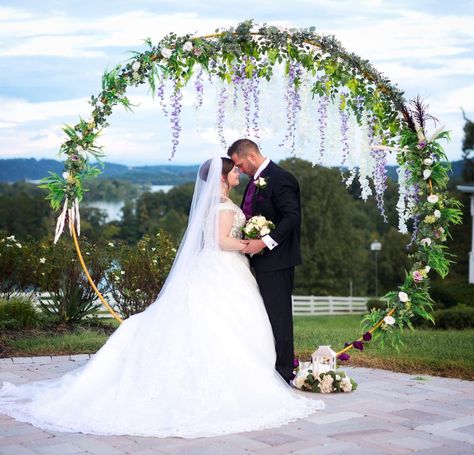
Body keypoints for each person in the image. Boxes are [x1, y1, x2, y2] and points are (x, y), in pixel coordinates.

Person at [0, 157, 323, 438]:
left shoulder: (216, 204)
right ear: (223, 178)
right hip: (223, 265)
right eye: (234, 171)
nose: (238, 174)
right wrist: (248, 244)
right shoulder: (223, 206)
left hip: (223, 269)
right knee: (220, 321)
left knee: (223, 320)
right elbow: (221, 241)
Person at [227, 139, 301, 383]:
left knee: (279, 317)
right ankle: (268, 364)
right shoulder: (254, 181)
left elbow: (291, 218)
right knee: (263, 315)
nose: (238, 169)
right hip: (256, 260)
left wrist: (264, 242)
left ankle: (283, 373)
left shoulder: (282, 178)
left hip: (276, 260)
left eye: (238, 164)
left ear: (250, 156)